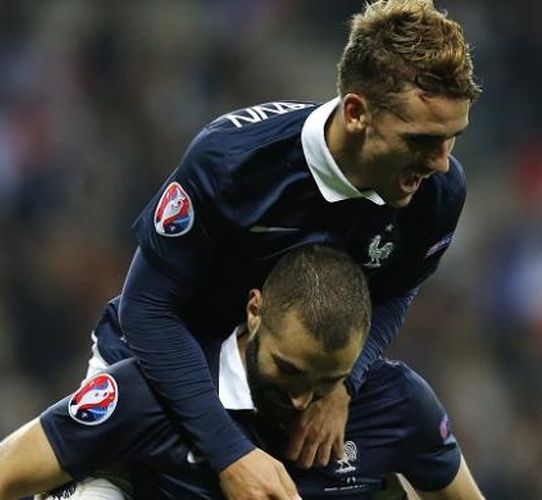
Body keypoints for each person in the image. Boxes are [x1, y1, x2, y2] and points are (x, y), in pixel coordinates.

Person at [106, 0, 482, 497]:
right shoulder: (233, 163)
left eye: (452, 139)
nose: (439, 162)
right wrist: (227, 451)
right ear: (356, 112)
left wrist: (342, 385)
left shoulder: (436, 194)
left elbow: (394, 291)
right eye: (421, 140)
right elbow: (147, 310)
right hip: (159, 384)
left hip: (284, 398)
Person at [0, 246, 484, 500]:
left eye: (326, 381)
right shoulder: (153, 392)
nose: (301, 399)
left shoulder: (396, 405)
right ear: (254, 312)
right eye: (288, 370)